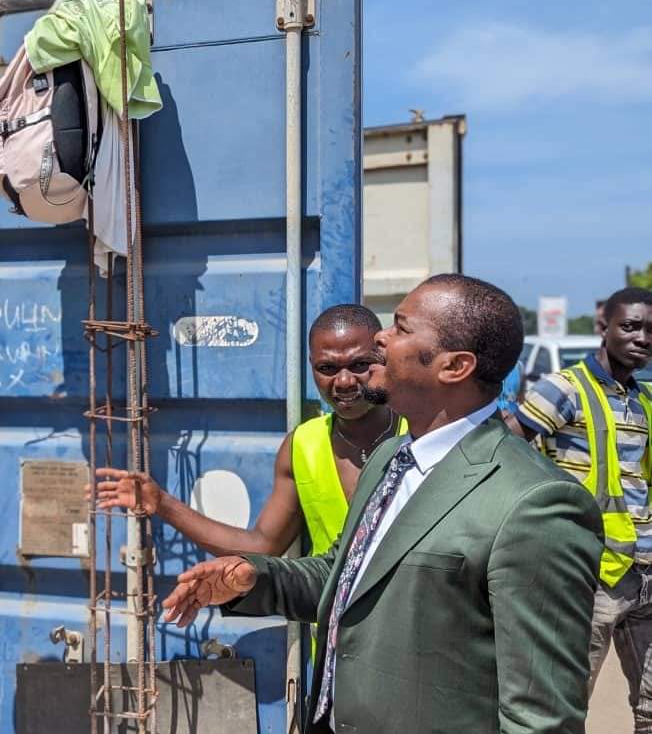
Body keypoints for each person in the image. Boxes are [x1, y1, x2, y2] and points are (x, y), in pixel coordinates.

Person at [162, 274, 603, 734]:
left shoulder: (536, 504)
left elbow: (541, 717)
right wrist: (254, 578)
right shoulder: (392, 458)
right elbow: (345, 578)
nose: (380, 338)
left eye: (401, 328)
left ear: (454, 366)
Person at [94, 305, 403, 559]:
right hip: (335, 634)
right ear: (311, 367)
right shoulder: (303, 446)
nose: (345, 381)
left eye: (360, 364)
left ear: (383, 357)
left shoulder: (421, 431)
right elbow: (263, 547)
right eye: (327, 368)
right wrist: (162, 503)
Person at [510, 286, 652, 731]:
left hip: (644, 574)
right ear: (602, 328)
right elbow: (508, 447)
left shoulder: (644, 400)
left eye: (650, 330)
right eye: (630, 326)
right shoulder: (564, 388)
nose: (642, 337)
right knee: (561, 708)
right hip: (589, 575)